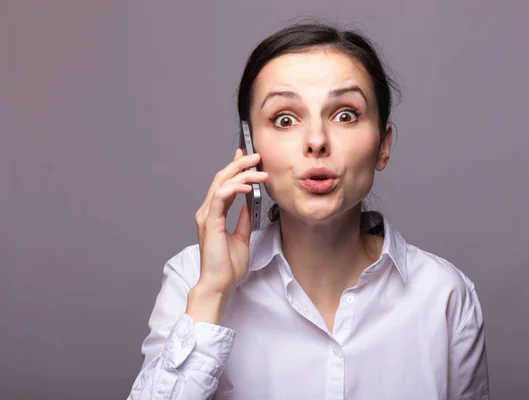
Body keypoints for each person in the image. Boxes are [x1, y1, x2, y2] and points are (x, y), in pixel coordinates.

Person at [127, 21, 489, 400]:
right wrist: (212, 293)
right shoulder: (192, 280)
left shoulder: (444, 295)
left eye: (345, 115)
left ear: (383, 145)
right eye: (285, 119)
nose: (316, 141)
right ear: (250, 148)